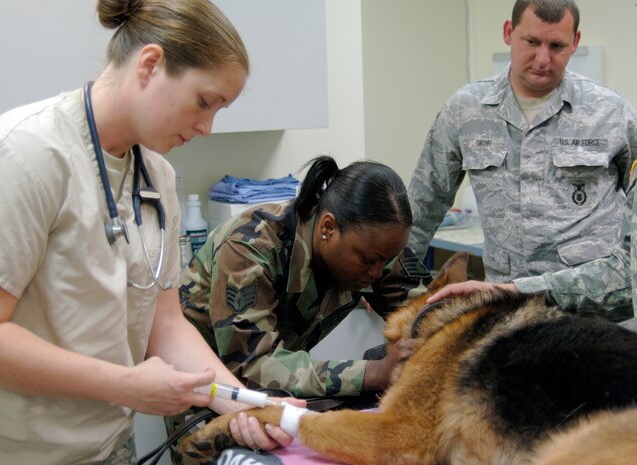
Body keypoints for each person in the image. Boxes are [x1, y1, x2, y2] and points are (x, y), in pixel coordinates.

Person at [0, 1, 302, 463]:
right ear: (150, 64)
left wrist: (245, 404)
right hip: (3, 451)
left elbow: (164, 324)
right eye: (204, 101)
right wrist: (126, 385)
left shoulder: (157, 176)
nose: (208, 128)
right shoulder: (22, 156)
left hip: (106, 447)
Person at [407, 0, 637, 283]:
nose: (542, 59)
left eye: (556, 46)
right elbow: (424, 200)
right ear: (508, 32)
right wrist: (396, 277)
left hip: (589, 303)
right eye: (531, 41)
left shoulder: (609, 111)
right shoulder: (466, 110)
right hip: (508, 302)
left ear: (575, 42)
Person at [178, 156, 430, 402]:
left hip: (276, 384)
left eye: (384, 261)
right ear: (328, 228)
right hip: (204, 380)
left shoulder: (373, 247)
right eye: (367, 261)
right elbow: (252, 366)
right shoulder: (249, 249)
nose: (376, 273)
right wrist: (372, 373)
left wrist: (455, 312)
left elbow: (425, 312)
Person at [427, 167, 637, 326]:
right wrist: (510, 291)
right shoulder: (462, 112)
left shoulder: (615, 116)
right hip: (516, 321)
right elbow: (626, 275)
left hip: (591, 330)